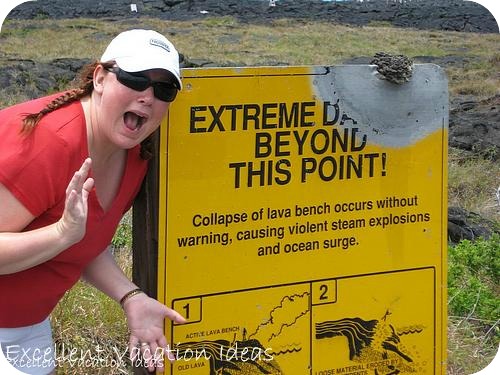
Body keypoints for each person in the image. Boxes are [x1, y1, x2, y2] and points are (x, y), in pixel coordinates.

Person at [0, 29, 186, 374]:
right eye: (134, 79)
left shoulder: (135, 154)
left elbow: (83, 239)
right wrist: (61, 234)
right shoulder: (46, 145)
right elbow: (67, 235)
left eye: (164, 89)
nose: (148, 96)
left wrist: (131, 297)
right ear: (100, 77)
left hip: (26, 325)